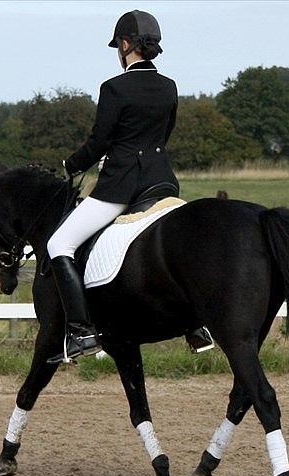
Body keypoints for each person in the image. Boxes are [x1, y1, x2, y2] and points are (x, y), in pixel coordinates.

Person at [46, 10, 180, 363]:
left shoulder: (114, 88)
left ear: (125, 45)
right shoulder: (169, 87)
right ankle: (196, 323)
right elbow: (163, 136)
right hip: (162, 183)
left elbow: (99, 141)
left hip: (123, 188)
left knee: (59, 242)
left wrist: (71, 164)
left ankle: (80, 332)